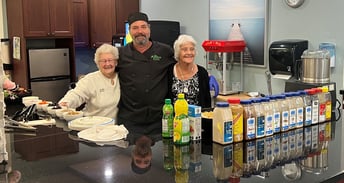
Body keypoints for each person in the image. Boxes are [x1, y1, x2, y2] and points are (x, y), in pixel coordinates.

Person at [116, 12, 175, 134]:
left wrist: (206, 76)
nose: (139, 31)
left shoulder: (165, 51)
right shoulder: (119, 54)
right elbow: (104, 72)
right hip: (129, 120)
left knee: (162, 152)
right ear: (129, 31)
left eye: (143, 27)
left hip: (160, 119)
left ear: (149, 29)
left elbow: (182, 68)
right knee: (129, 153)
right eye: (135, 28)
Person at [58, 43, 120, 119]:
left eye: (110, 60)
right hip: (93, 126)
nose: (107, 64)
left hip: (116, 128)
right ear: (97, 63)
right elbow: (77, 94)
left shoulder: (122, 77)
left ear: (116, 62)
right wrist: (65, 103)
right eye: (103, 61)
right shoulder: (90, 79)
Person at [167, 34, 211, 108]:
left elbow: (207, 102)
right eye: (184, 49)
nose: (189, 53)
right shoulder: (169, 71)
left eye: (192, 49)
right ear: (178, 52)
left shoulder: (202, 72)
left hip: (197, 118)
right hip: (175, 118)